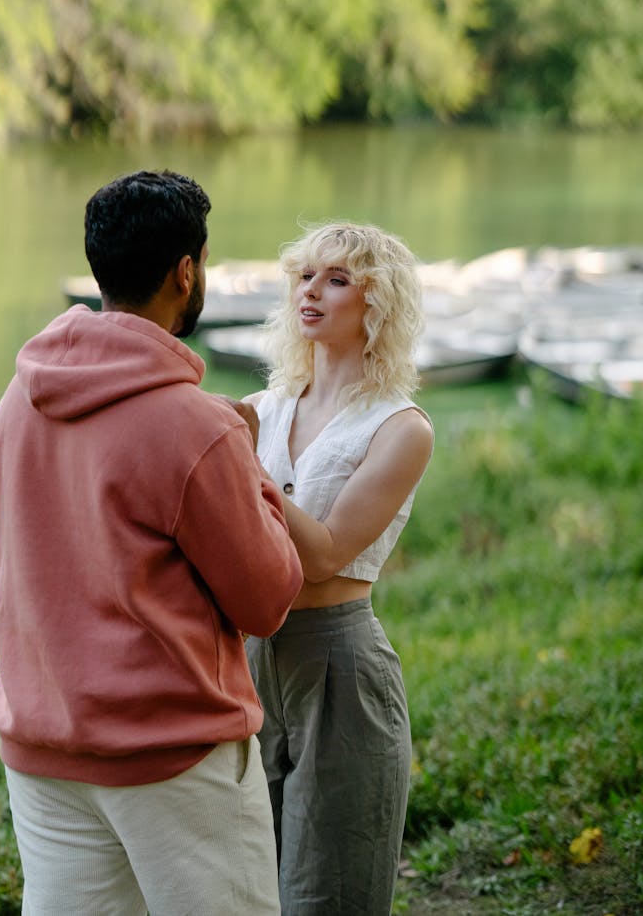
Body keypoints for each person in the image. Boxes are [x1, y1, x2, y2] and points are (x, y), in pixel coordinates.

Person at [0, 170, 303, 916]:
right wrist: (250, 463)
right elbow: (267, 599)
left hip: (44, 751)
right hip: (172, 760)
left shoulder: (19, 397)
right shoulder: (195, 425)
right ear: (184, 271)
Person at [242, 221, 434, 916]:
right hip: (250, 657)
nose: (312, 290)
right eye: (305, 274)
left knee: (332, 894)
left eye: (338, 278)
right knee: (248, 883)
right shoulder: (265, 407)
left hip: (341, 665)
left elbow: (323, 552)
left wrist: (242, 465)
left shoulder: (400, 427)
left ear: (376, 304)